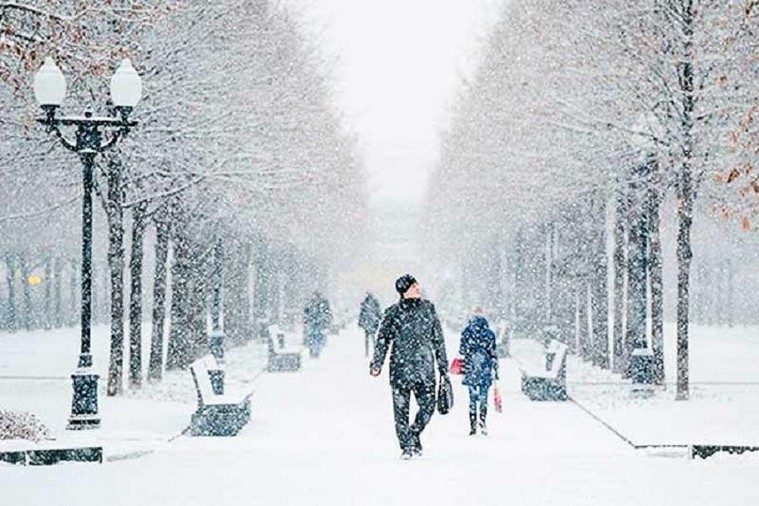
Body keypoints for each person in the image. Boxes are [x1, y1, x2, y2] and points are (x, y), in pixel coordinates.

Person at [370, 274, 449, 459]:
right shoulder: (392, 313)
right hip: (400, 368)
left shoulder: (428, 309)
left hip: (425, 368)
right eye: (414, 286)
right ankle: (406, 447)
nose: (418, 288)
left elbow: (438, 339)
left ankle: (414, 433)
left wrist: (443, 366)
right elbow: (382, 340)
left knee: (428, 407)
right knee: (400, 412)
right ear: (404, 290)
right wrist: (376, 363)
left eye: (417, 285)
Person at [459, 308, 499, 436]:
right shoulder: (489, 334)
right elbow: (493, 353)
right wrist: (496, 369)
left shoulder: (467, 332)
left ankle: (472, 425)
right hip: (485, 368)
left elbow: (462, 351)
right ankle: (482, 422)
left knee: (472, 398)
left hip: (471, 367)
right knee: (483, 397)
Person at [303, 291, 332, 358]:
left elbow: (306, 313)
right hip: (315, 324)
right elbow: (306, 313)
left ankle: (315, 351)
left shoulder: (312, 303)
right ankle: (314, 350)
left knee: (317, 337)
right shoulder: (314, 303)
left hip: (317, 324)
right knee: (314, 337)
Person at [358, 292, 382, 357]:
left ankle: (368, 352)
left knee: (368, 338)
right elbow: (378, 311)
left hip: (368, 322)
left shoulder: (365, 303)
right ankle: (373, 351)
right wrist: (379, 317)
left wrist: (360, 322)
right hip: (372, 322)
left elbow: (362, 313)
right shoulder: (374, 303)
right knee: (372, 337)